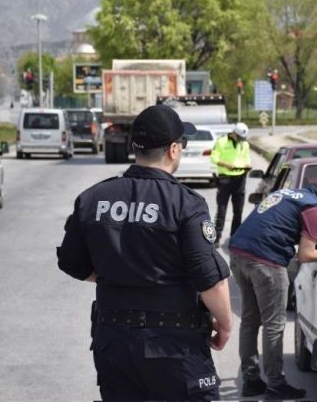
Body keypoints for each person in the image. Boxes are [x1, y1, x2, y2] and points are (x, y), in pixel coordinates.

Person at [57, 104, 233, 401]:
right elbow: (210, 280)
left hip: (113, 342)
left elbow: (71, 262)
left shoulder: (93, 198)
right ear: (174, 149)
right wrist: (225, 325)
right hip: (174, 347)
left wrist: (119, 275)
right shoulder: (186, 204)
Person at [228, 184, 317, 399]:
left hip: (239, 255)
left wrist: (305, 236)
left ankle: (251, 380)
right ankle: (276, 384)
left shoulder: (290, 194)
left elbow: (277, 225)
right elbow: (305, 255)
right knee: (274, 324)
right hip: (266, 262)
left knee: (250, 321)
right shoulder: (315, 209)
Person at [210, 122, 251, 247]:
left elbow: (246, 158)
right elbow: (214, 158)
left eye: (242, 139)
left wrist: (247, 166)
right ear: (233, 133)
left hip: (240, 178)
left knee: (238, 210)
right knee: (221, 209)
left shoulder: (244, 144)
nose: (240, 140)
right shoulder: (221, 142)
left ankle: (235, 237)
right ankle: (216, 238)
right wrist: (226, 165)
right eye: (239, 138)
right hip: (225, 179)